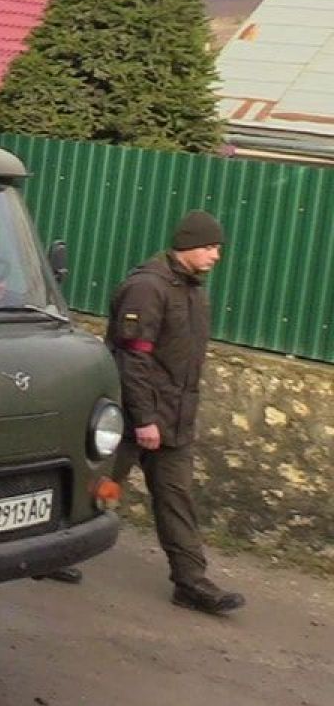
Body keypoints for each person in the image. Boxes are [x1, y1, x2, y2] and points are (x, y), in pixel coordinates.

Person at [107, 210, 244, 615]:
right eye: (210, 247)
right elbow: (132, 358)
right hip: (134, 418)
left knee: (176, 498)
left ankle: (191, 583)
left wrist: (173, 418)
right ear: (187, 245)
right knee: (100, 487)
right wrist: (144, 418)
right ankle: (55, 553)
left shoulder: (193, 291)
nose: (216, 255)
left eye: (218, 248)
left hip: (174, 420)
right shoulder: (147, 288)